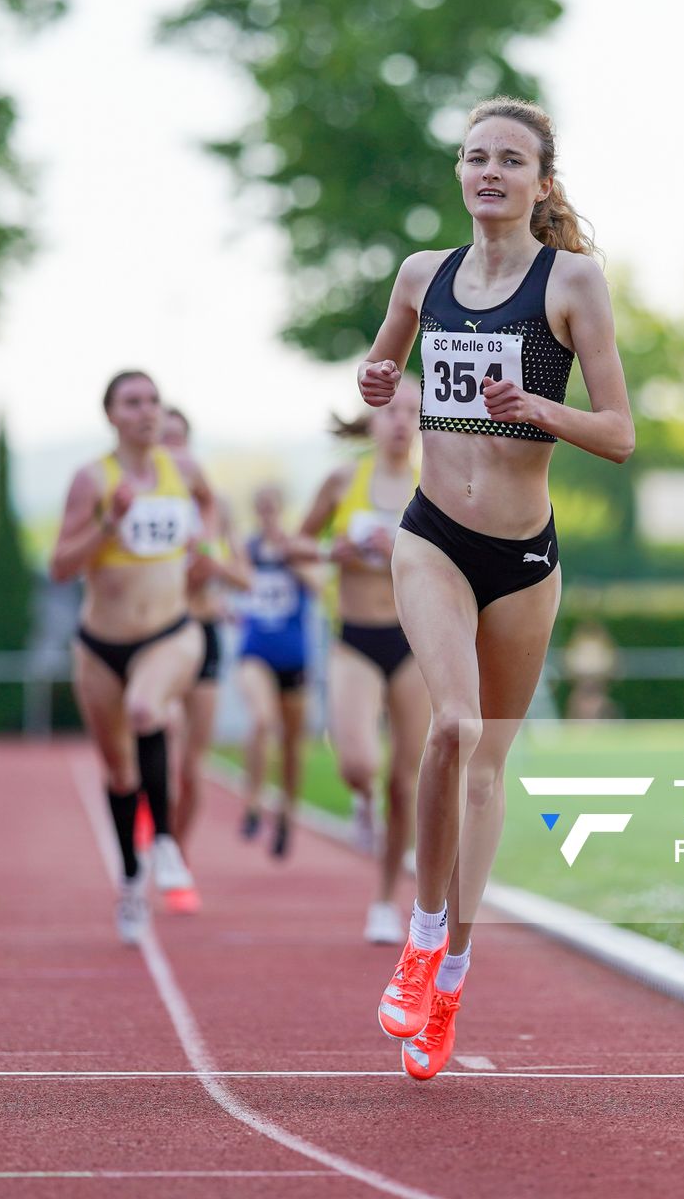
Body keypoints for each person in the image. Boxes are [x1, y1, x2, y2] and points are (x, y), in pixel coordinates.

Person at [358, 97, 633, 1080]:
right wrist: (377, 379)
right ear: (460, 173)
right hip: (431, 533)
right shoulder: (422, 275)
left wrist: (538, 408)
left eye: (509, 160)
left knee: (486, 770)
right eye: (475, 157)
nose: (488, 173)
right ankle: (422, 933)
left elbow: (621, 433)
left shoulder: (575, 283)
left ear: (541, 182)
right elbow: (382, 360)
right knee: (451, 728)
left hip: (522, 558)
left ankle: (454, 976)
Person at [49, 371, 214, 944]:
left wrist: (206, 551)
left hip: (171, 631)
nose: (146, 411)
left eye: (152, 401)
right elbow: (61, 565)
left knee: (148, 710)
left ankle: (165, 841)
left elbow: (211, 508)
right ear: (112, 415)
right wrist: (109, 524)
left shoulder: (183, 470)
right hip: (100, 645)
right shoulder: (92, 480)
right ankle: (129, 882)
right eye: (132, 402)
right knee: (118, 772)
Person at [298, 378, 429, 944]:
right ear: (371, 420)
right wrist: (334, 552)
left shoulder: (438, 486)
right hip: (354, 637)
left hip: (417, 641)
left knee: (407, 780)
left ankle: (383, 899)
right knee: (357, 762)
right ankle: (359, 797)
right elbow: (295, 545)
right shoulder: (342, 480)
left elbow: (467, 560)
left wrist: (404, 550)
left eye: (411, 412)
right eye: (390, 410)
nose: (400, 421)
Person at [160, 407, 252, 913]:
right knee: (158, 737)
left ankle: (177, 853)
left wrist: (213, 568)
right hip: (157, 636)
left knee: (192, 767)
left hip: (205, 635)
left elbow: (245, 578)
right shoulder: (146, 504)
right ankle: (153, 832)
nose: (173, 450)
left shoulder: (216, 508)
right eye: (164, 441)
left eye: (180, 440)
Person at [235, 484, 321, 860]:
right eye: (263, 509)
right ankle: (253, 801)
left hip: (294, 657)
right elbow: (233, 580)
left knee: (291, 743)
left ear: (282, 509)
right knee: (261, 720)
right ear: (257, 511)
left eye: (274, 508)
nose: (269, 516)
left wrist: (293, 559)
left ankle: (287, 811)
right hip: (254, 652)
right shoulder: (247, 550)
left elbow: (319, 586)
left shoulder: (296, 548)